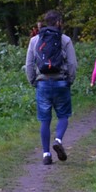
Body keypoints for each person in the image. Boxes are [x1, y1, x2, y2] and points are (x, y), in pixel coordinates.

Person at [24, 10, 77, 165]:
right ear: (59, 22)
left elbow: (29, 64)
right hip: (61, 82)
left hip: (43, 83)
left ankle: (46, 154)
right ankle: (58, 139)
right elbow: (72, 64)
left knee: (45, 120)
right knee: (63, 115)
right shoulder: (65, 39)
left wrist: (33, 81)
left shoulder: (35, 40)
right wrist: (70, 80)